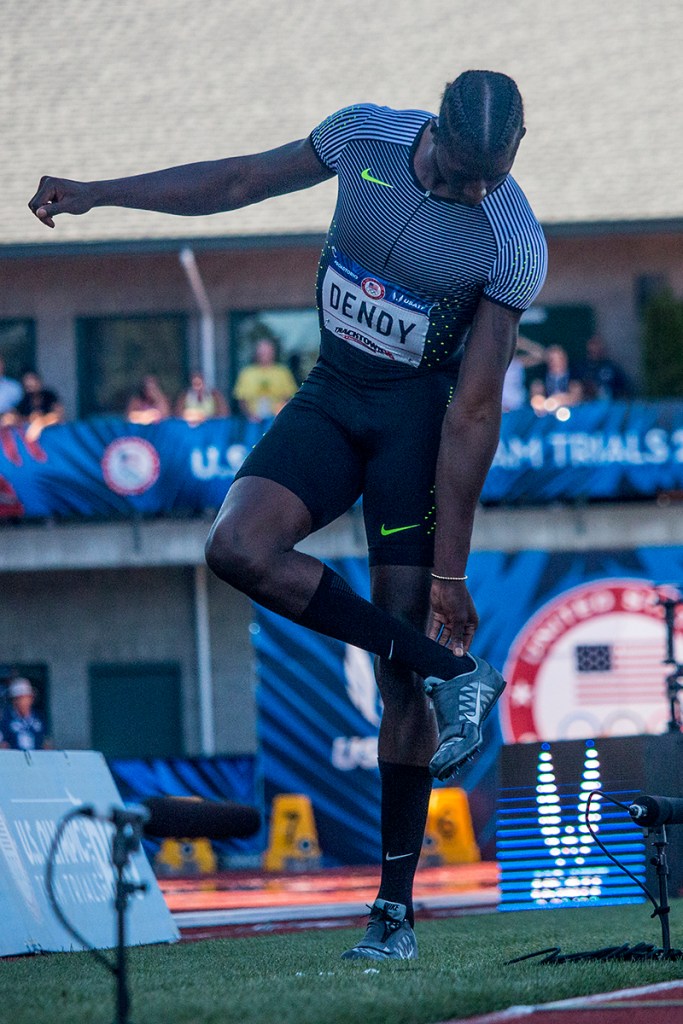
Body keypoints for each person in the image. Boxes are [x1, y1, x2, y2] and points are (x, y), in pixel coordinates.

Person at [29, 69, 547, 960]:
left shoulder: (510, 239)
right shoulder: (362, 137)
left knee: (395, 675)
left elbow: (472, 412)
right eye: (464, 174)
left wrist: (452, 573)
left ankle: (391, 914)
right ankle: (453, 673)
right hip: (330, 394)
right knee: (236, 547)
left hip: (412, 427)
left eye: (491, 177)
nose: (476, 191)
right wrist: (102, 193)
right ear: (435, 130)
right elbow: (234, 183)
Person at [233, 337, 298, 422]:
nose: (264, 354)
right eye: (262, 351)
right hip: (253, 421)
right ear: (257, 353)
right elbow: (241, 399)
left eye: (267, 351)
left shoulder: (282, 372)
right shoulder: (247, 373)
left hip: (277, 419)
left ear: (273, 352)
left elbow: (290, 397)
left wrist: (282, 414)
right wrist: (250, 416)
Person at [574, 333, 633, 400]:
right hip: (585, 404)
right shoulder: (580, 367)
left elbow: (625, 388)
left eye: (597, 344)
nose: (595, 348)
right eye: (592, 345)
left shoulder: (612, 367)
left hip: (609, 405)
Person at [0, 677, 50, 751]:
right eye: (20, 698)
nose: (24, 701)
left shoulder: (39, 718)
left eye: (27, 697)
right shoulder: (5, 720)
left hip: (36, 759)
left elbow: (46, 743)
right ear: (14, 700)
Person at [14, 370, 66, 440]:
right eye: (28, 385)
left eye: (33, 381)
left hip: (55, 435)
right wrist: (30, 419)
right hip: (35, 442)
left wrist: (41, 422)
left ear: (39, 382)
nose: (31, 385)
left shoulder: (49, 396)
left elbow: (59, 415)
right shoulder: (24, 401)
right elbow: (17, 419)